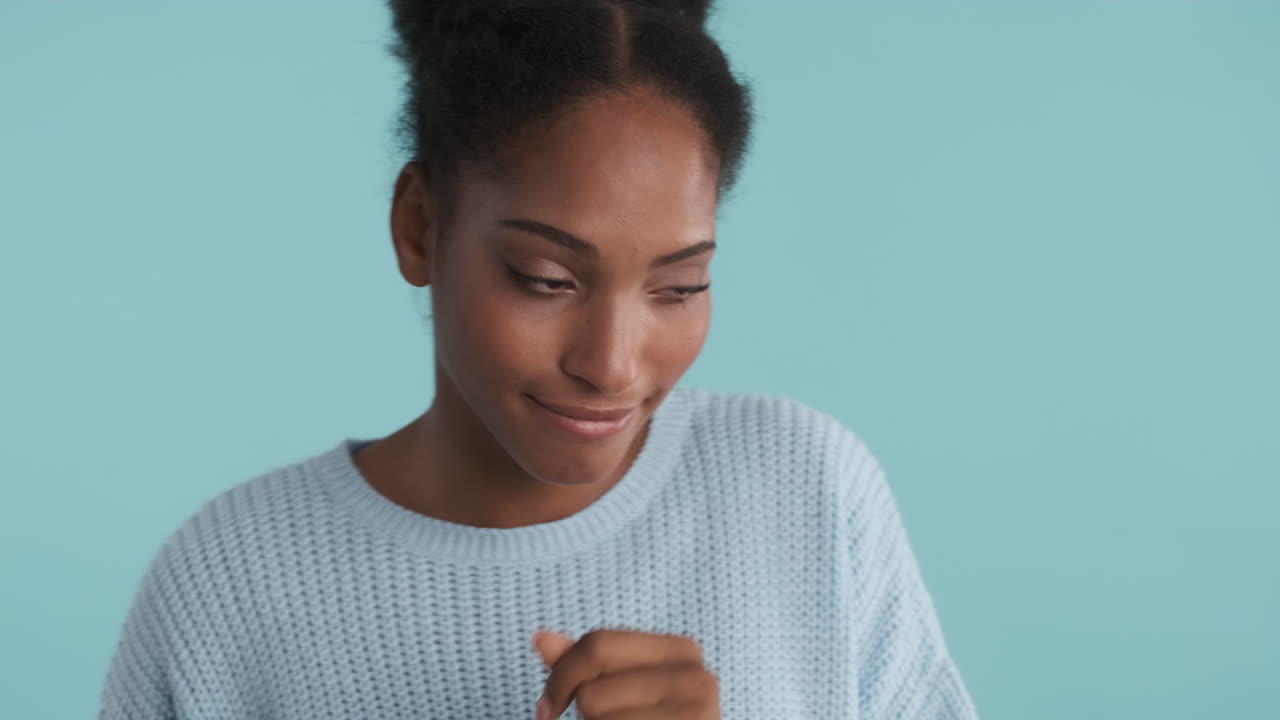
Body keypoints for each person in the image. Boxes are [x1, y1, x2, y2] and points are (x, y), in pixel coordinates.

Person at [99, 1, 980, 718]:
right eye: (547, 280)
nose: (613, 366)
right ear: (420, 226)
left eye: (679, 287)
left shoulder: (805, 493)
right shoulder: (228, 582)